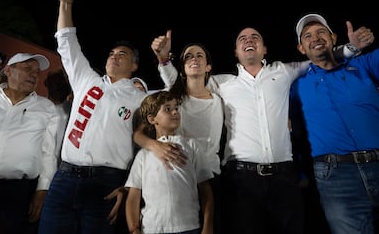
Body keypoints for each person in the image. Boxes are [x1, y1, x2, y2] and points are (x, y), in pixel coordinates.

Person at [153, 24, 373, 233]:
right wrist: (164, 60)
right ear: (236, 52)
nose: (249, 40)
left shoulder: (285, 71)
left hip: (284, 179)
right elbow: (182, 86)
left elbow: (320, 57)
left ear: (264, 49)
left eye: (255, 37)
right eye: (242, 39)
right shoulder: (223, 83)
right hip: (241, 181)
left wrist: (352, 48)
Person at [38, 0, 147, 234]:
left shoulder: (141, 97)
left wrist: (129, 186)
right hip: (63, 178)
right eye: (111, 52)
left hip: (106, 184)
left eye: (122, 54)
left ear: (134, 67)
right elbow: (66, 42)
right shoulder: (86, 79)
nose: (114, 56)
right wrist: (66, 3)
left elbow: (145, 143)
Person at [289, 13, 378, 234]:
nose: (315, 38)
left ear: (334, 37)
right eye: (307, 36)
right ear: (301, 48)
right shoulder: (295, 85)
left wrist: (355, 47)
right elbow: (292, 131)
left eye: (321, 32)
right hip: (337, 178)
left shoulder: (363, 65)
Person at [134, 35, 225, 233]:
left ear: (208, 67)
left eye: (200, 56)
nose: (194, 59)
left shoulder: (219, 99)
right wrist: (154, 145)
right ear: (183, 67)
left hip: (210, 177)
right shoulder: (173, 99)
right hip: (177, 173)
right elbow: (139, 134)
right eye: (188, 56)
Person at [0, 52, 60, 234]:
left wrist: (42, 190)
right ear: (8, 71)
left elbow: (49, 153)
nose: (34, 74)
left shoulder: (46, 108)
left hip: (14, 194)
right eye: (27, 68)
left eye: (37, 72)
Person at [125, 90, 214, 234]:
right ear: (152, 119)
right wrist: (134, 229)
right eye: (167, 109)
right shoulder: (144, 155)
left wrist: (208, 226)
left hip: (189, 227)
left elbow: (206, 192)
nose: (175, 112)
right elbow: (133, 197)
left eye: (176, 108)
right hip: (153, 228)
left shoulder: (192, 146)